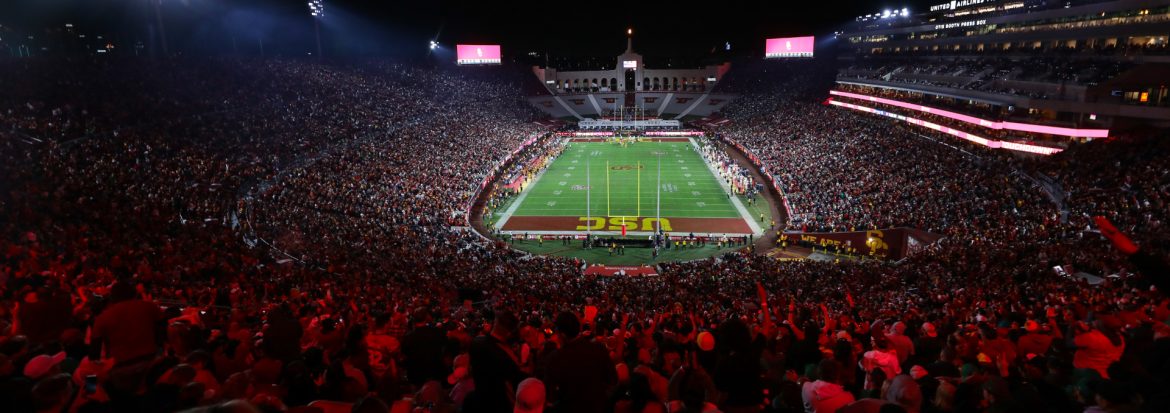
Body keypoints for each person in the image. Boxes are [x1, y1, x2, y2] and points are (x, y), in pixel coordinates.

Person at [545, 311, 617, 413]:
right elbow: (613, 380)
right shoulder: (599, 348)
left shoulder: (555, 358)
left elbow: (550, 396)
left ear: (562, 335)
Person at [466, 310, 527, 412]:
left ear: (495, 323)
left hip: (480, 399)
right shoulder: (505, 357)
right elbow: (514, 386)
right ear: (509, 333)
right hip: (499, 405)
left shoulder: (476, 343)